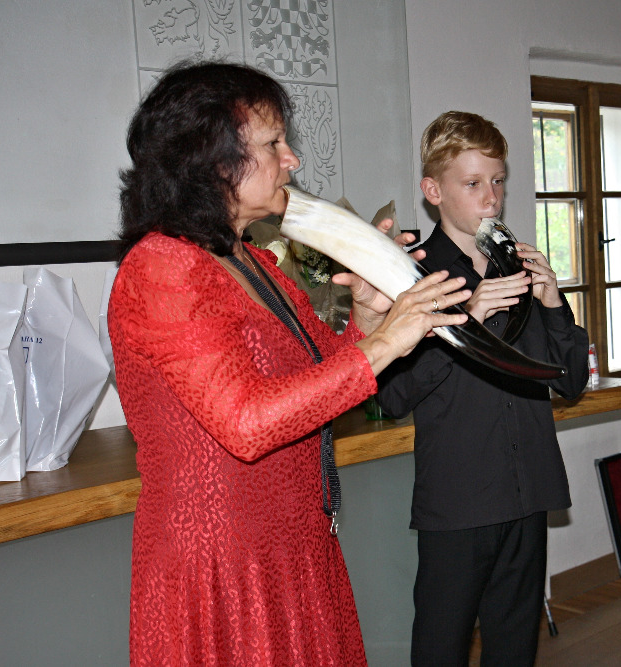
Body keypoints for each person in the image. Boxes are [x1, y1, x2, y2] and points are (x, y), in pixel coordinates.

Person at [109, 61, 471, 666]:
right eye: (273, 143)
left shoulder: (251, 261)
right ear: (210, 160)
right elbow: (247, 423)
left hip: (293, 544)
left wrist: (370, 318)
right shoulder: (161, 268)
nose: (292, 159)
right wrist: (386, 344)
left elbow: (319, 376)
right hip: (224, 566)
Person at [376, 110, 590, 666]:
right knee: (440, 649)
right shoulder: (412, 275)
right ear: (434, 192)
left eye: (497, 181)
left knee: (515, 649)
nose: (491, 199)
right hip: (459, 499)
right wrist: (465, 321)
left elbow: (570, 381)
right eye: (472, 184)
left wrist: (552, 302)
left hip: (528, 492)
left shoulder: (516, 267)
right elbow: (393, 397)